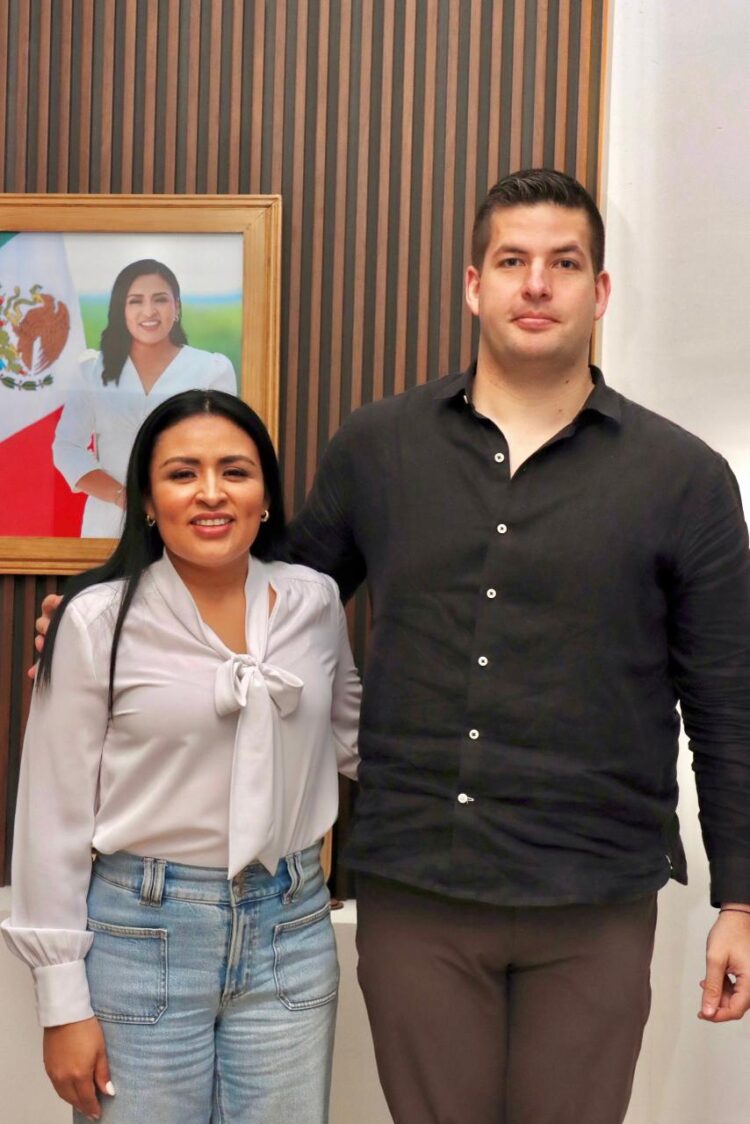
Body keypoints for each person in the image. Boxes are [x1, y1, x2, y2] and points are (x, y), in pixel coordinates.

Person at [33, 170, 750, 1123]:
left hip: (595, 892)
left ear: (601, 290)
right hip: (417, 886)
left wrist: (740, 899)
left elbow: (727, 703)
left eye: (565, 263)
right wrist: (105, 615)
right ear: (474, 285)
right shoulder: (379, 446)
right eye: (512, 261)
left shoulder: (686, 478)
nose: (537, 284)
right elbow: (267, 596)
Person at [7, 389, 360, 1123]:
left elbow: (357, 741)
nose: (211, 492)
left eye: (235, 471)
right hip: (141, 939)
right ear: (146, 499)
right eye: (182, 473)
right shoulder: (95, 621)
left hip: (291, 932)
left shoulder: (316, 602)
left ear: (266, 495)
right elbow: (52, 816)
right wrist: (61, 1000)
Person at [53, 259, 237, 537]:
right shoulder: (91, 370)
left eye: (160, 299)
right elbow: (67, 447)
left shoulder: (211, 369)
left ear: (177, 307)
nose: (149, 311)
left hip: (184, 521)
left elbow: (222, 451)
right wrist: (122, 497)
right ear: (121, 310)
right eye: (135, 301)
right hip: (106, 526)